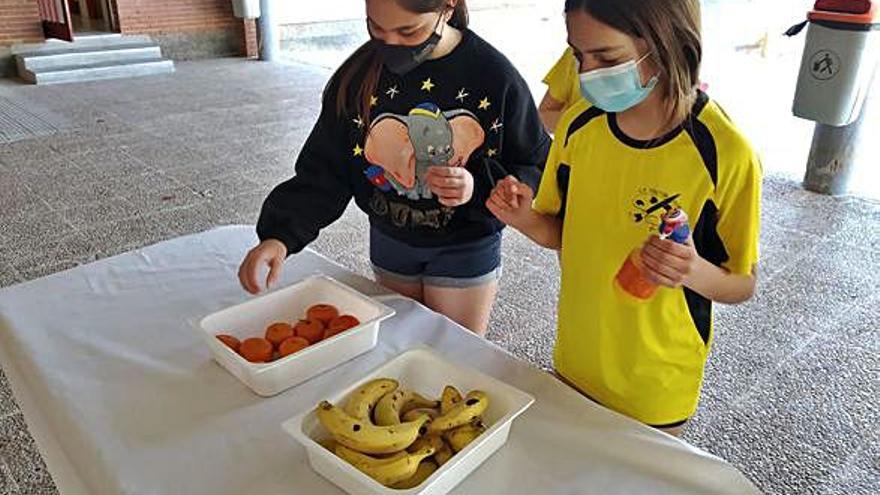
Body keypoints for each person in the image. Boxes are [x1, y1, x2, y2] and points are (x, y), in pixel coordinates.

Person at [487, 0, 761, 436]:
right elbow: (563, 233)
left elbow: (741, 283)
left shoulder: (723, 153)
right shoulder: (579, 126)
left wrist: (691, 269)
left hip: (655, 382)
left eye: (606, 58)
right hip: (576, 359)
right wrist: (523, 218)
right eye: (578, 55)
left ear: (668, 44)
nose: (587, 73)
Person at [238, 0, 550, 335]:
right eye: (375, 27)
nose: (391, 45)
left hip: (465, 244)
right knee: (399, 343)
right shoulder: (357, 76)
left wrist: (478, 186)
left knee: (454, 353)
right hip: (390, 241)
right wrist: (280, 236)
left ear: (448, 6)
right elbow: (325, 169)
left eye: (408, 30)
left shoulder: (493, 75)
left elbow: (533, 162)